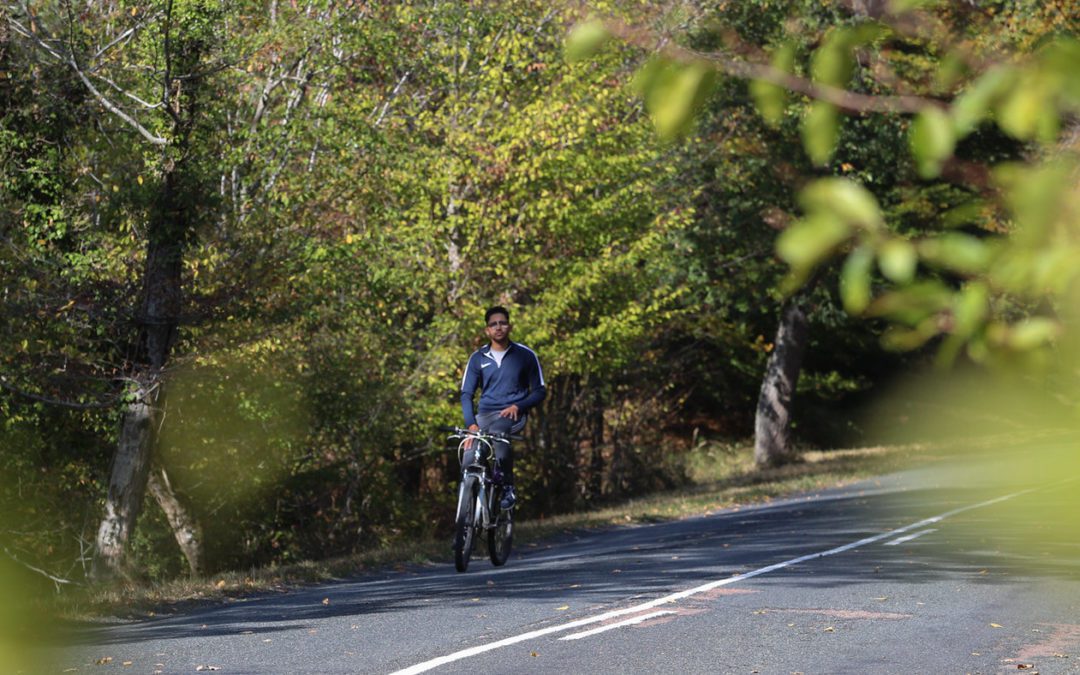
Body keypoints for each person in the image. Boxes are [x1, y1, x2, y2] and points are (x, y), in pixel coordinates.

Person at [459, 305, 546, 509]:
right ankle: (466, 517)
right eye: (493, 324)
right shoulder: (477, 358)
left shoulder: (525, 355)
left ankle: (507, 487)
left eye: (502, 323)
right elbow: (466, 394)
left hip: (513, 415)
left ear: (509, 326)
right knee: (468, 456)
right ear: (487, 330)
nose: (498, 327)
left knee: (498, 433)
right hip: (485, 415)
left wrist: (519, 405)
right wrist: (471, 425)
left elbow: (540, 391)